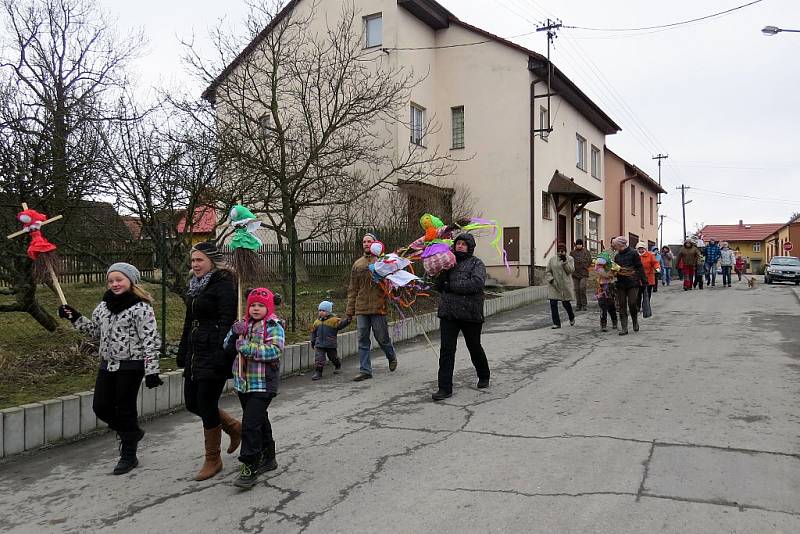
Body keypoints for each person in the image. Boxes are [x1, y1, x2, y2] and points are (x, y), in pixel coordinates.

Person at [57, 263, 162, 475]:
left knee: (125, 408)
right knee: (101, 406)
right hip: (107, 363)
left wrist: (152, 370)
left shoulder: (141, 307)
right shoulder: (103, 306)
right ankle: (132, 432)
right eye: (111, 280)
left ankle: (129, 455)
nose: (114, 284)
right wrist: (75, 317)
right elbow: (95, 331)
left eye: (119, 279)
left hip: (131, 365)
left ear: (131, 281)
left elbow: (150, 340)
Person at [177, 241, 239, 481]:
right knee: (192, 403)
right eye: (193, 261)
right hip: (195, 350)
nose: (195, 264)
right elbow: (188, 320)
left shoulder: (223, 284)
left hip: (213, 351)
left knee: (205, 402)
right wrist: (183, 350)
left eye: (199, 260)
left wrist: (222, 353)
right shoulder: (194, 286)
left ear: (212, 260)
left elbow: (227, 321)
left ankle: (213, 459)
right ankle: (234, 427)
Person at [224, 287, 284, 489]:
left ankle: (249, 465)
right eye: (253, 305)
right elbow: (227, 345)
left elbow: (275, 351)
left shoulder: (274, 326)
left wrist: (248, 348)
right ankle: (269, 456)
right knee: (258, 419)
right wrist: (234, 334)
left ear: (268, 307)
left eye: (260, 305)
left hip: (263, 382)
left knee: (249, 424)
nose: (256, 309)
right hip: (244, 382)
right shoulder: (242, 325)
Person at [432, 234, 490, 401]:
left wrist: (452, 286)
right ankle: (444, 388)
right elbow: (439, 286)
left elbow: (477, 283)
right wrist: (441, 276)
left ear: (470, 247)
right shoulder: (448, 262)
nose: (460, 246)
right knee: (446, 350)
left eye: (464, 244)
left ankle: (483, 374)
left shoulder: (476, 264)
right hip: (449, 312)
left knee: (474, 346)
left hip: (469, 312)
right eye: (458, 243)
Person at [346, 232, 397, 381]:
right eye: (364, 242)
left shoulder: (383, 261)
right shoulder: (357, 264)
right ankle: (365, 370)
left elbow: (392, 282)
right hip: (361, 307)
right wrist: (350, 310)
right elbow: (353, 288)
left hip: (378, 306)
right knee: (362, 338)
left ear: (375, 243)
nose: (366, 244)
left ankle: (391, 356)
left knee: (381, 337)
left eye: (369, 241)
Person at [610, 236, 646, 335]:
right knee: (621, 305)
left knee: (632, 303)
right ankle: (624, 328)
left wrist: (643, 280)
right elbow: (616, 269)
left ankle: (635, 321)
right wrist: (612, 272)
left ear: (620, 244)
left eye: (616, 245)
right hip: (621, 283)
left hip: (632, 282)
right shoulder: (617, 256)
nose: (614, 246)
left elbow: (639, 267)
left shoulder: (633, 253)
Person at [309, 300, 350, 380]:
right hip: (319, 344)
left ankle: (337, 365)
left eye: (323, 311)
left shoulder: (334, 320)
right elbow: (313, 332)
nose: (321, 312)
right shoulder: (316, 322)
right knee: (319, 358)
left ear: (329, 312)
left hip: (330, 343)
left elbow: (341, 325)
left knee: (332, 357)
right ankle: (318, 372)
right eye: (320, 310)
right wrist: (313, 341)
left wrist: (347, 321)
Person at [545, 243, 576, 329]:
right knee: (553, 303)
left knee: (566, 303)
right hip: (554, 284)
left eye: (562, 251)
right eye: (558, 251)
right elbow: (548, 271)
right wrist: (551, 279)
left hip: (565, 285)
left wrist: (564, 262)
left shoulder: (570, 259)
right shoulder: (552, 259)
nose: (560, 252)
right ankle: (556, 323)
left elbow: (570, 271)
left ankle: (571, 316)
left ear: (565, 251)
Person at [592, 252, 618, 332]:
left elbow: (613, 274)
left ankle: (614, 321)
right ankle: (603, 324)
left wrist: (613, 271)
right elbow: (606, 275)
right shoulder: (598, 268)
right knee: (603, 306)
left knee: (611, 306)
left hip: (610, 287)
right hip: (601, 287)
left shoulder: (611, 266)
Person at [569, 239, 592, 311]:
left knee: (582, 288)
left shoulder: (586, 252)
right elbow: (570, 261)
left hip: (584, 273)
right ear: (576, 245)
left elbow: (590, 260)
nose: (579, 245)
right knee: (576, 289)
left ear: (582, 245)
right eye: (577, 244)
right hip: (575, 274)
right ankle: (578, 305)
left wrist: (585, 266)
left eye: (580, 244)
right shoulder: (572, 252)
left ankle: (584, 304)